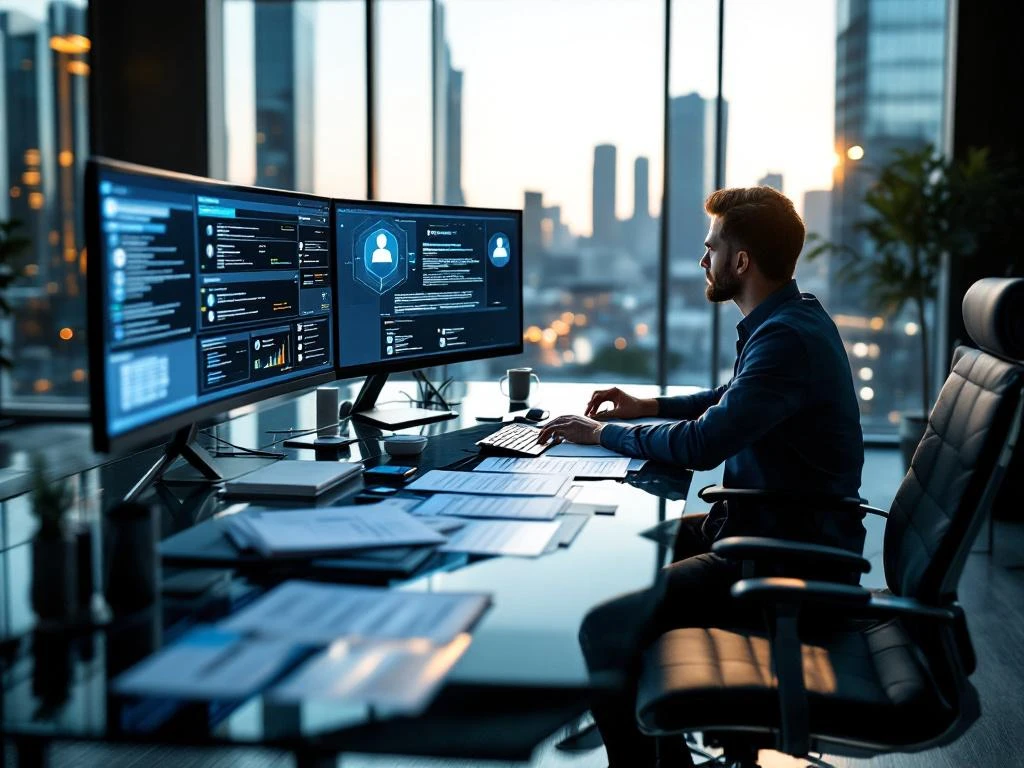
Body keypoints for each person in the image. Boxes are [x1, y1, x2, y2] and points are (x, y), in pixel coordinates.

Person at [539, 186, 865, 767]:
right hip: (766, 526)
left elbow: (704, 443)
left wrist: (603, 434)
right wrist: (645, 407)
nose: (702, 259)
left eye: (711, 247)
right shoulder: (791, 318)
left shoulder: (786, 337)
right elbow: (729, 400)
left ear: (741, 261)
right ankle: (640, 709)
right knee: (620, 554)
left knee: (604, 629)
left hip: (781, 558)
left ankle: (636, 716)